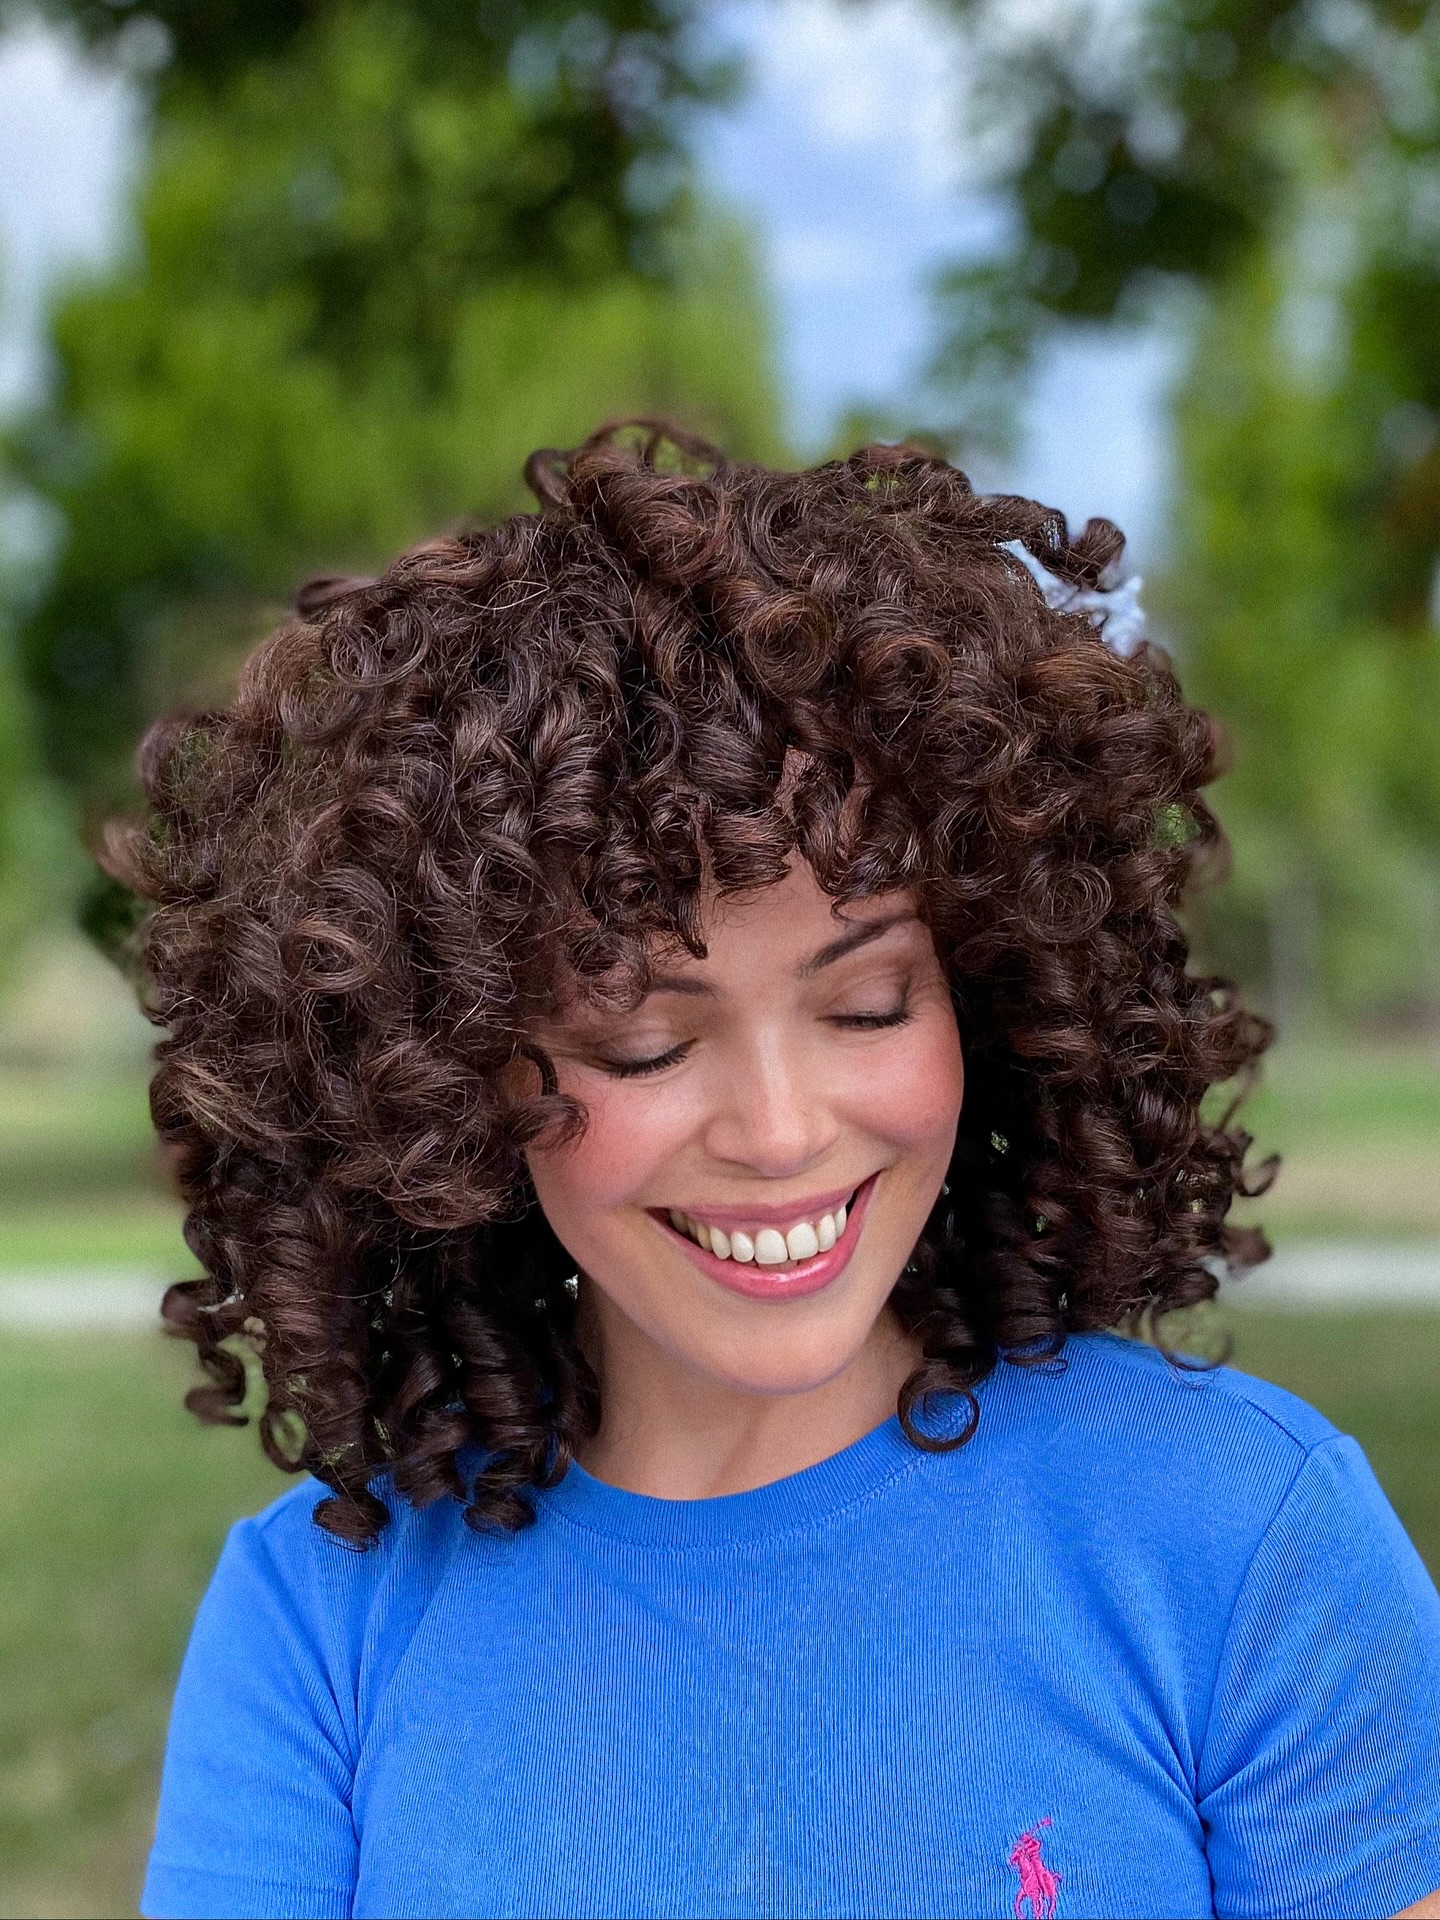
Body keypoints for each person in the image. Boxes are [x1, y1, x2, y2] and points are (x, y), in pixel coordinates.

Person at [113, 424, 1440, 1919]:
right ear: (452, 1076)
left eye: (866, 1005)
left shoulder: (1243, 1538)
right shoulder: (323, 1624)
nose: (780, 1130)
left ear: (990, 995)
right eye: (643, 1045)